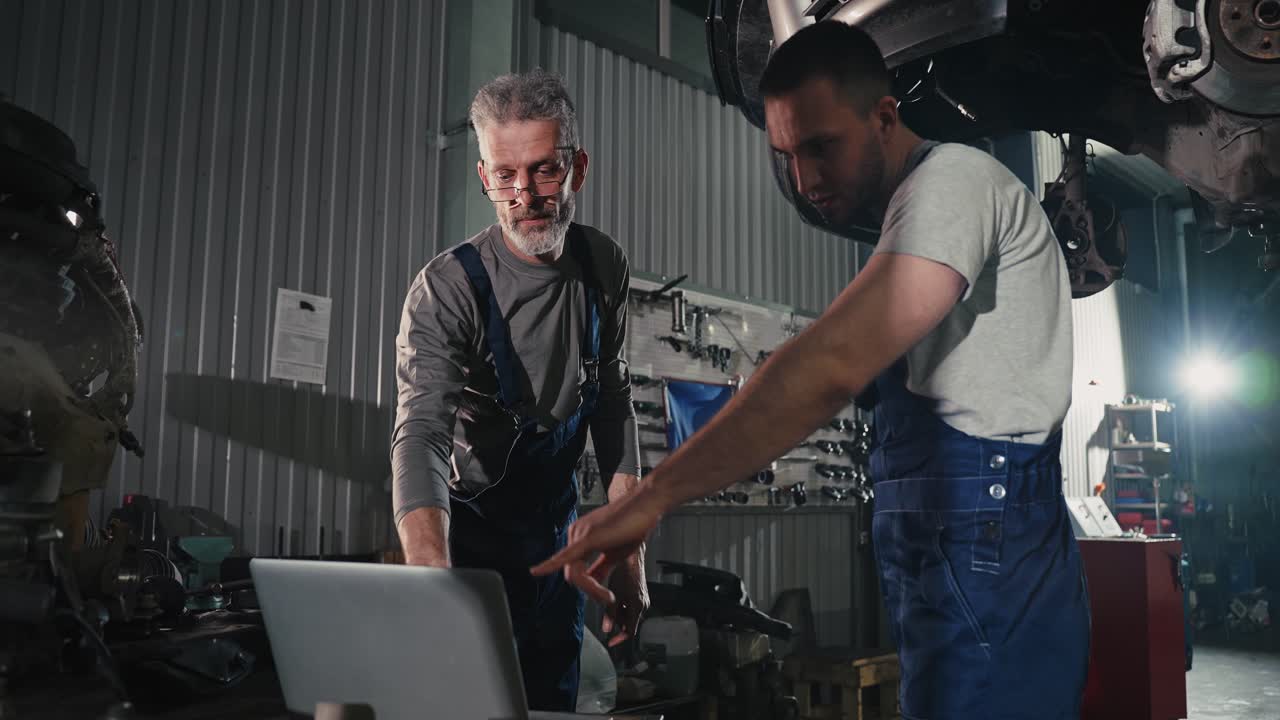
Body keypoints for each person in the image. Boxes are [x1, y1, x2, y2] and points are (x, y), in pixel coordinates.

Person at [532, 22, 1090, 720]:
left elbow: (829, 364)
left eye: (821, 146)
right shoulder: (919, 211)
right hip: (963, 533)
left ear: (885, 116)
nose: (804, 179)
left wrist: (647, 500)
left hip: (986, 534)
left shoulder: (951, 185)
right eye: (787, 155)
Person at [390, 69, 648, 712]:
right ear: (483, 177)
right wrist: (430, 575)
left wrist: (631, 546)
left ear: (578, 167)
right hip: (469, 546)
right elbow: (420, 434)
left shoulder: (602, 266)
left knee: (551, 702)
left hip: (557, 549)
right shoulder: (448, 290)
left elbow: (612, 403)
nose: (524, 194)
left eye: (544, 170)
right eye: (504, 174)